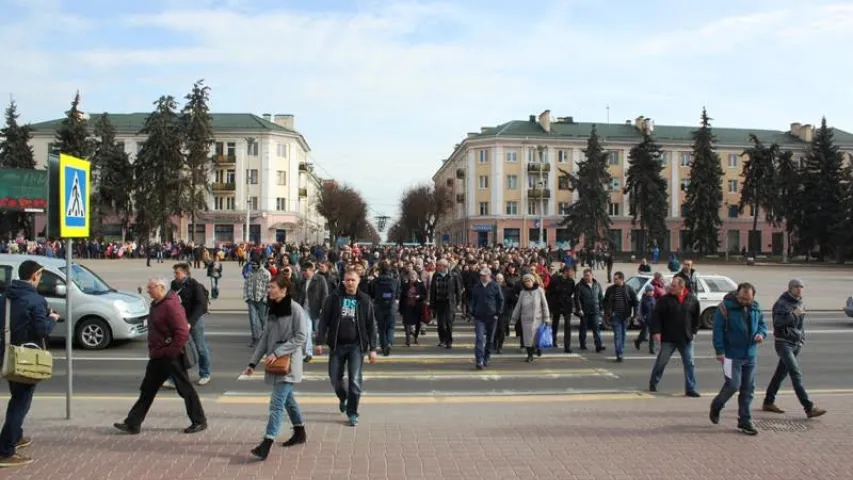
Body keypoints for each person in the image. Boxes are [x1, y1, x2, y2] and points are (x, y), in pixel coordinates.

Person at [114, 277, 207, 435]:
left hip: (171, 356)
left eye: (151, 287)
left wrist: (171, 351)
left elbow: (182, 332)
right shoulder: (157, 304)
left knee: (185, 389)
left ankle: (199, 421)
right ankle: (133, 423)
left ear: (160, 287)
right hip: (158, 355)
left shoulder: (171, 305)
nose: (148, 290)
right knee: (147, 389)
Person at [0, 260, 59, 467]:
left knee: (17, 396)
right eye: (40, 275)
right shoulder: (36, 300)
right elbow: (41, 330)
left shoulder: (5, 297)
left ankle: (16, 436)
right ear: (34, 276)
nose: (40, 279)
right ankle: (6, 450)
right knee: (20, 403)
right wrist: (52, 318)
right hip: (27, 358)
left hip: (8, 355)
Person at [245, 274, 310, 460]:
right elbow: (265, 337)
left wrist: (277, 352)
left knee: (276, 405)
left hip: (288, 363)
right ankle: (300, 432)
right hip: (276, 363)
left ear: (284, 290)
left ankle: (267, 442)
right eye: (269, 287)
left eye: (272, 287)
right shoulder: (272, 309)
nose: (269, 290)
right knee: (288, 400)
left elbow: (301, 337)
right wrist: (252, 363)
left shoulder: (296, 310)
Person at [315, 269, 378, 427]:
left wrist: (373, 348)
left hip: (356, 346)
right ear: (343, 281)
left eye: (353, 280)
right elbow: (324, 321)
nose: (350, 283)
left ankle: (352, 413)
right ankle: (343, 397)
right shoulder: (334, 298)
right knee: (335, 378)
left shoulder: (364, 300)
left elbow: (371, 326)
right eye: (347, 280)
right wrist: (319, 341)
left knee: (355, 380)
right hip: (337, 345)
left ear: (358, 281)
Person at [761, 278, 826, 418]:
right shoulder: (782, 303)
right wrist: (793, 315)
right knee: (795, 373)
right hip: (783, 342)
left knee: (780, 374)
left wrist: (802, 337)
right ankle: (809, 407)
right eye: (796, 286)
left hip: (796, 342)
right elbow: (778, 323)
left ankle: (768, 402)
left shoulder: (800, 303)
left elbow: (800, 324)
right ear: (790, 288)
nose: (799, 289)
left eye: (801, 287)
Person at [709, 283, 766, 435]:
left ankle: (745, 421)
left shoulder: (755, 307)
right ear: (737, 294)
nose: (744, 302)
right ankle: (717, 405)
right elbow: (718, 330)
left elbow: (762, 325)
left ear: (753, 297)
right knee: (733, 385)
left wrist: (761, 334)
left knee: (748, 389)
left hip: (750, 354)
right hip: (731, 355)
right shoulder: (725, 308)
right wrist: (719, 351)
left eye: (748, 299)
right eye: (741, 298)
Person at [648, 277, 701, 397]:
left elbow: (696, 317)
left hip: (685, 338)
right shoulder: (664, 300)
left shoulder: (692, 300)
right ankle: (653, 382)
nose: (671, 288)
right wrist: (656, 332)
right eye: (671, 285)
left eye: (674, 286)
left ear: (682, 287)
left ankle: (690, 388)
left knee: (689, 363)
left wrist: (693, 331)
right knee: (662, 362)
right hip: (669, 338)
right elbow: (656, 316)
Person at [166, 263, 212, 387]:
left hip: (195, 321)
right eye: (174, 273)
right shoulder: (174, 285)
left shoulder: (194, 285)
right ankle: (174, 378)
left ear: (185, 273)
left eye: (177, 273)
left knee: (200, 347)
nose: (175, 275)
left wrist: (190, 323)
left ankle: (205, 373)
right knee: (177, 349)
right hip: (180, 321)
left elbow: (201, 305)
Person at [468, 267, 504, 370]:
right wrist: (471, 311)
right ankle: (479, 360)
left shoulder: (495, 286)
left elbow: (500, 300)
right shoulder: (476, 287)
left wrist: (498, 313)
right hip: (479, 317)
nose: (482, 277)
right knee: (479, 338)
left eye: (484, 275)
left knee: (490, 340)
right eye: (481, 275)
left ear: (489, 276)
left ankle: (486, 358)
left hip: (492, 316)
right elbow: (473, 301)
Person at [511, 273, 550, 363]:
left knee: (536, 338)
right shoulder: (522, 292)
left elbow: (544, 305)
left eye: (529, 281)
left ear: (532, 281)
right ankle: (530, 355)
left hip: (538, 319)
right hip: (526, 320)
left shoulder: (539, 291)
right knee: (528, 339)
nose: (527, 283)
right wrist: (514, 318)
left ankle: (538, 348)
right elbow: (518, 306)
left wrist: (546, 318)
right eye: (525, 282)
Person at [603, 271, 638, 362]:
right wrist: (608, 312)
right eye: (614, 279)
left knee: (623, 334)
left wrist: (635, 315)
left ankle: (620, 350)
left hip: (626, 316)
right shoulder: (610, 289)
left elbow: (636, 302)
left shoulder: (628, 289)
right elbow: (605, 301)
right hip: (615, 316)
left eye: (616, 279)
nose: (614, 281)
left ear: (621, 279)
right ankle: (619, 353)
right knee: (618, 335)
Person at [244, 260, 271, 348]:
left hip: (261, 300)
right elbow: (246, 286)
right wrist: (246, 297)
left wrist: (265, 298)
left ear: (259, 263)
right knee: (253, 320)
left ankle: (265, 338)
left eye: (255, 264)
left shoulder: (265, 273)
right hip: (251, 299)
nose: (253, 266)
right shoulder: (249, 273)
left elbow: (269, 286)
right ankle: (255, 339)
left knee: (263, 319)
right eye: (252, 264)